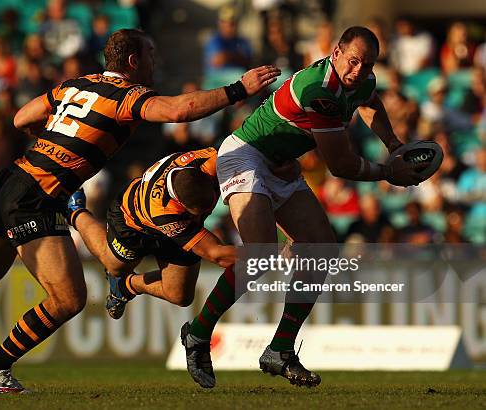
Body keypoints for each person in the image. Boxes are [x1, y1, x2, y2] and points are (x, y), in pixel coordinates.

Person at [0, 28, 280, 393]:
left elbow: (21, 118)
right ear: (132, 61)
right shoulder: (128, 96)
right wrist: (238, 89)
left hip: (11, 180)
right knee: (68, 299)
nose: (154, 62)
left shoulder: (75, 84)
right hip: (39, 196)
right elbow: (179, 110)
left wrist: (55, 141)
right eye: (150, 55)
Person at [181, 26, 428, 390]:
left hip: (281, 162)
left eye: (368, 63)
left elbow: (369, 101)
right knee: (260, 254)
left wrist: (393, 143)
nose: (360, 70)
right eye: (354, 60)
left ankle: (280, 350)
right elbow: (340, 166)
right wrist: (390, 172)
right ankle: (199, 333)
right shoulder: (319, 90)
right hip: (245, 155)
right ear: (336, 52)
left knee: (323, 248)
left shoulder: (362, 79)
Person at [67, 148, 237, 318]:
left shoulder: (210, 159)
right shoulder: (162, 210)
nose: (204, 214)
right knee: (115, 266)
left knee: (180, 296)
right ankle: (76, 211)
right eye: (198, 212)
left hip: (177, 224)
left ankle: (126, 286)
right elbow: (217, 255)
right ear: (180, 203)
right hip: (132, 223)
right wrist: (262, 256)